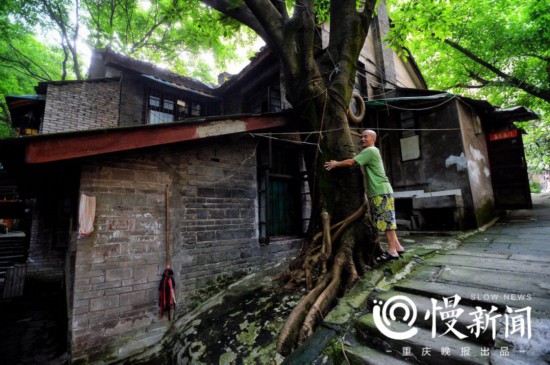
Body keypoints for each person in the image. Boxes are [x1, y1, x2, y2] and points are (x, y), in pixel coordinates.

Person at [324, 129, 405, 263]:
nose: (362, 139)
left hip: (380, 191)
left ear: (373, 138)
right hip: (381, 190)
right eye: (361, 136)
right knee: (388, 219)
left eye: (365, 137)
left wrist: (336, 164)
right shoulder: (372, 151)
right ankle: (397, 246)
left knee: (386, 221)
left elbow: (351, 162)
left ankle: (392, 251)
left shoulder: (370, 151)